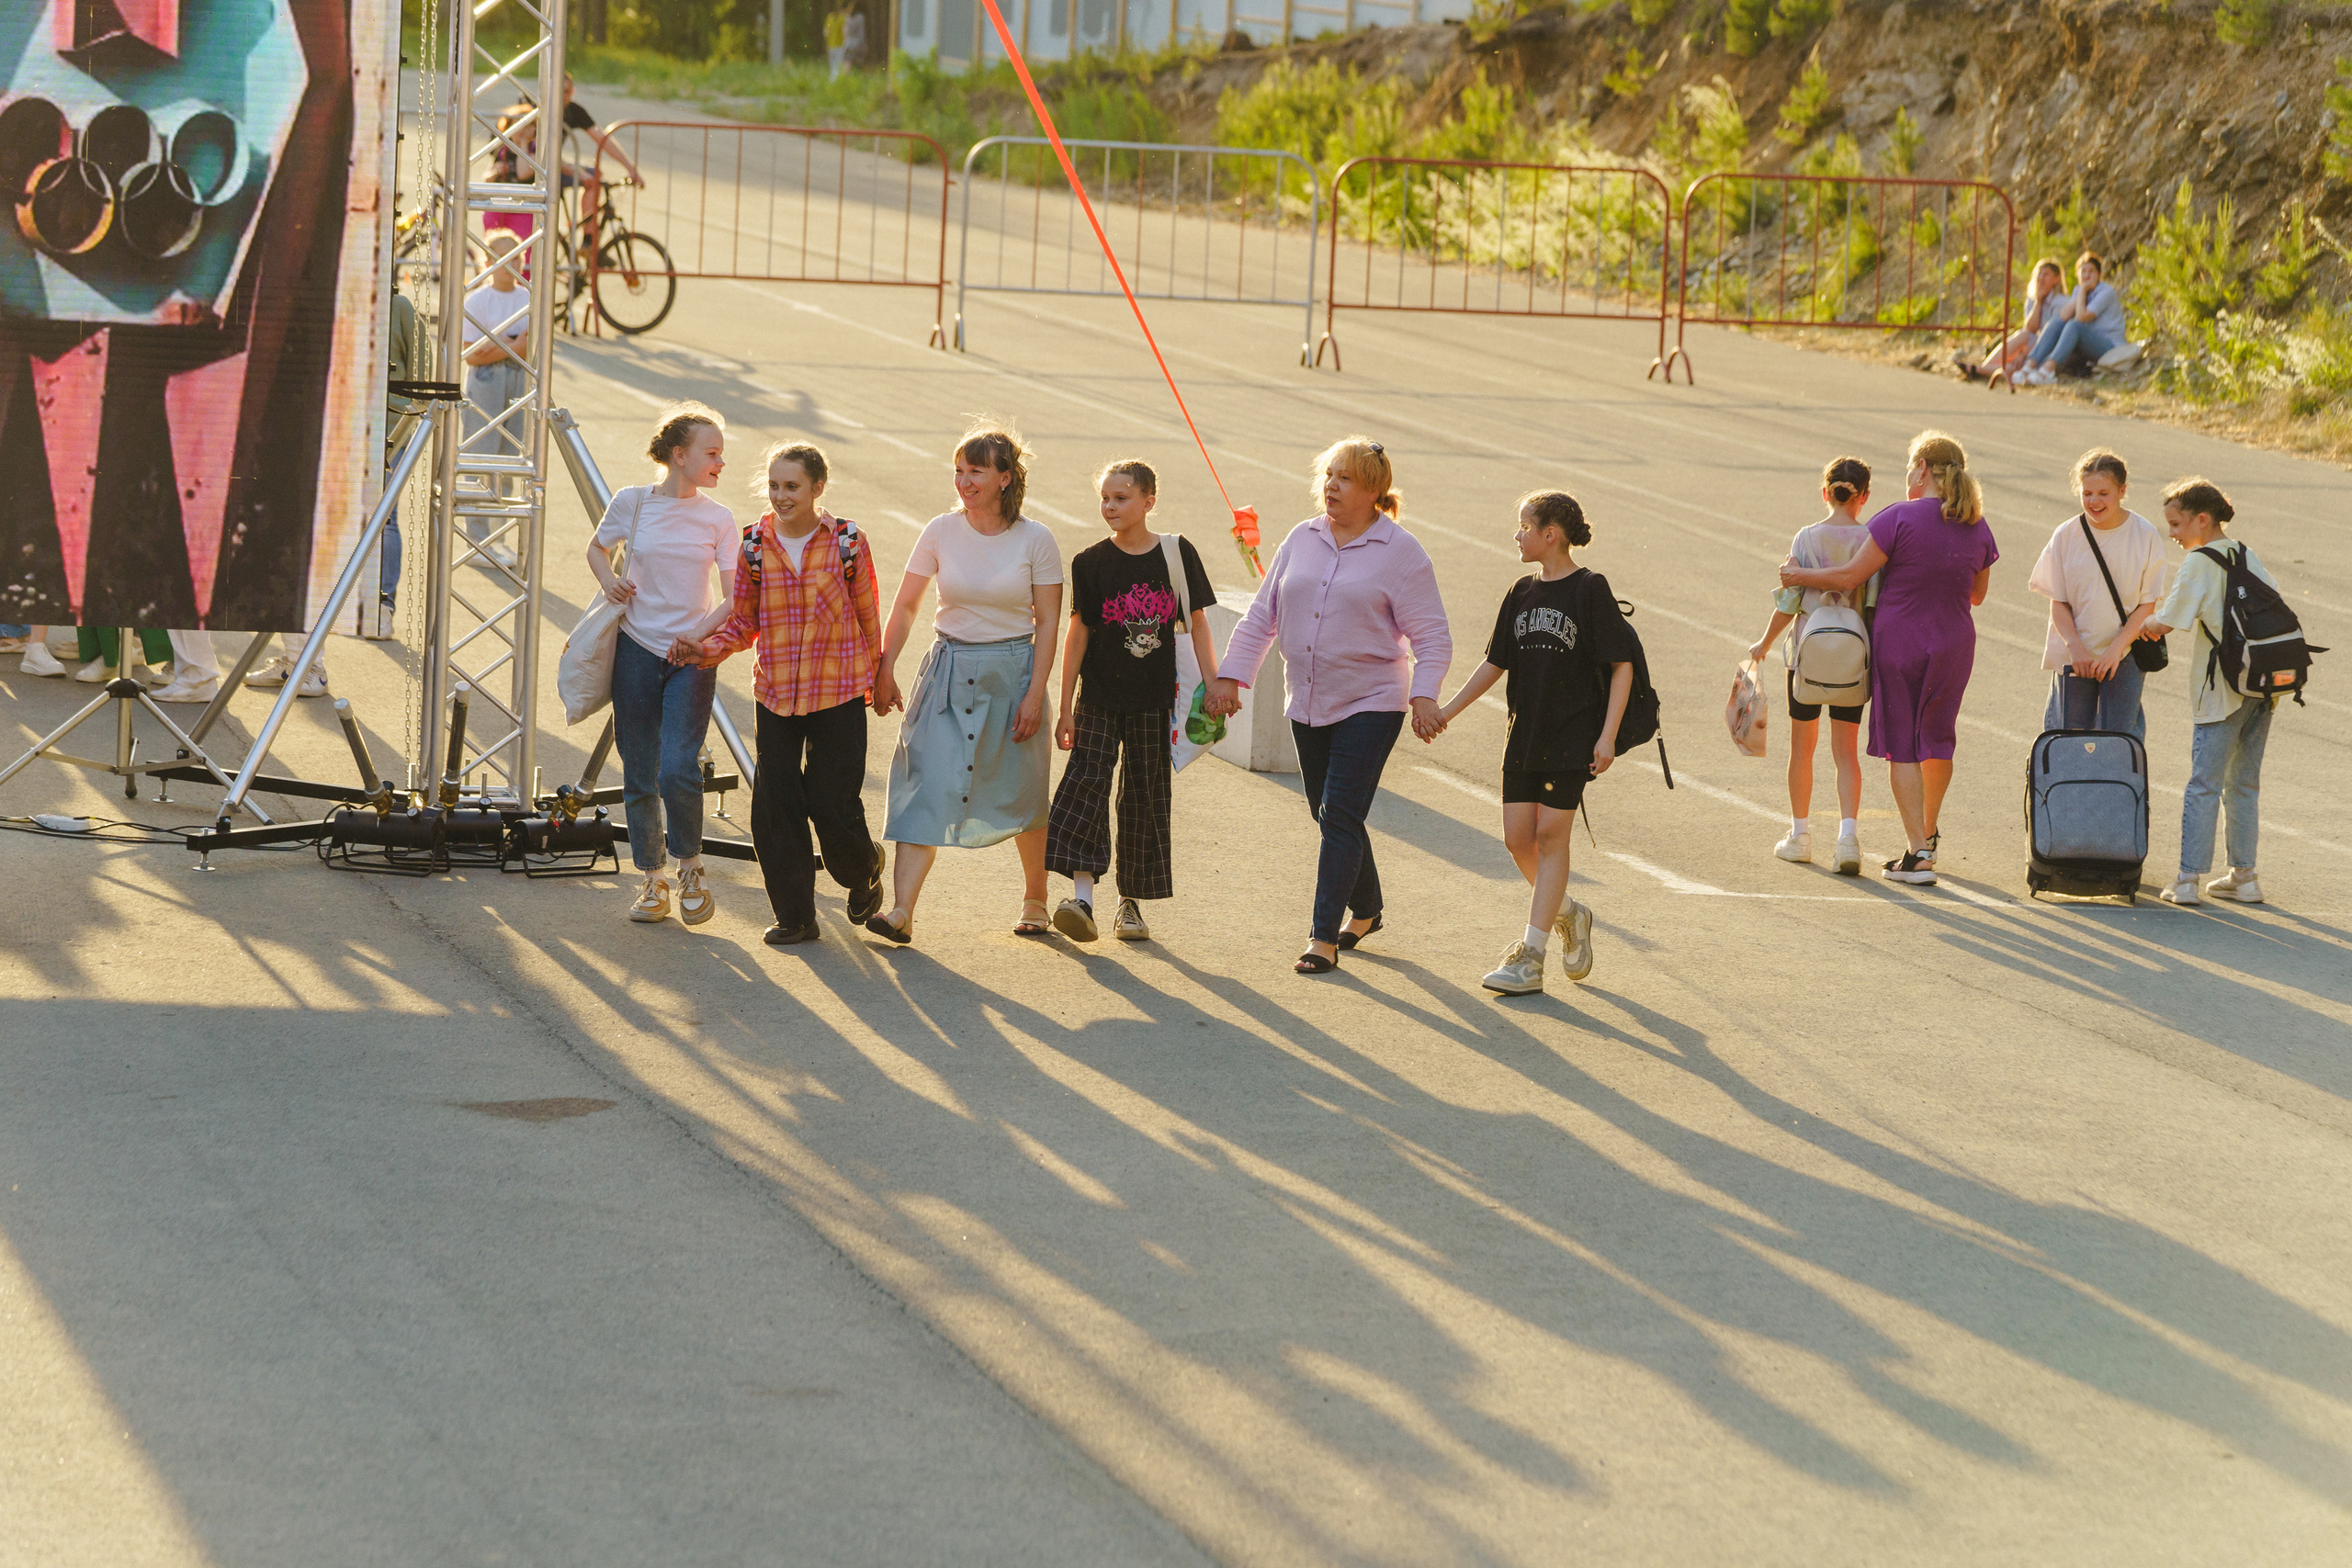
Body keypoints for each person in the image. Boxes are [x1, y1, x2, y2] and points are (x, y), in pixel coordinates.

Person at [1205, 436, 1452, 975]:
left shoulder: (1401, 553)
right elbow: (1260, 618)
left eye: (1344, 478)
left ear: (1373, 491)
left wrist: (1423, 694)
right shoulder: (1302, 538)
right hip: (1308, 701)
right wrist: (1230, 679)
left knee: (1339, 812)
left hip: (1372, 701)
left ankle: (1323, 937)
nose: (1331, 486)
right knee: (1331, 812)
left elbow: (1432, 636)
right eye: (1328, 475)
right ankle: (1367, 909)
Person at [868, 424, 1065, 943]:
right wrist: (886, 666)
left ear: (1005, 478)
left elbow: (1049, 622)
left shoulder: (1036, 539)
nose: (964, 481)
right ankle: (901, 911)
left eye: (975, 471)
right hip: (947, 669)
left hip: (1013, 674)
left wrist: (1034, 693)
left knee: (1022, 793)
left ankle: (1035, 898)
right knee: (921, 784)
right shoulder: (940, 529)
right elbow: (908, 603)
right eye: (958, 470)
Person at [1431, 491, 1633, 996]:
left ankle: (1532, 955)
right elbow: (1495, 664)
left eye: (1524, 525)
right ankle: (1570, 914)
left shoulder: (1590, 589)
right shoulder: (1521, 592)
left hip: (1573, 738)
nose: (1516, 535)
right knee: (1517, 839)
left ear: (1551, 535)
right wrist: (1446, 712)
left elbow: (1621, 664)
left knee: (1549, 838)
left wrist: (1607, 736)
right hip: (1524, 734)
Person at [1781, 431, 1996, 886]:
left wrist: (1799, 573)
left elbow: (1850, 575)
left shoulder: (1896, 517)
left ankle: (1917, 852)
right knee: (1938, 738)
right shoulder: (1977, 524)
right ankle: (1930, 835)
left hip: (1902, 641)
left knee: (1903, 742)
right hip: (1955, 641)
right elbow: (1977, 594)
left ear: (1922, 469)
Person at [693, 443, 886, 945]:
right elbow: (744, 620)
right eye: (775, 486)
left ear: (818, 487)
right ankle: (796, 916)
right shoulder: (756, 544)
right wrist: (708, 650)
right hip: (776, 692)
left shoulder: (846, 540)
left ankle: (862, 871)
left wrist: (879, 678)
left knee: (831, 801)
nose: (781, 496)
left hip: (838, 690)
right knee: (775, 804)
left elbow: (868, 614)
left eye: (792, 486)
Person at [1044, 458, 1219, 943]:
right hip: (1098, 698)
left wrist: (1215, 683)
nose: (1110, 507)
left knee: (1145, 798)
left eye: (1121, 498)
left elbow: (1197, 624)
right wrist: (1064, 708)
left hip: (1154, 701)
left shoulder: (1176, 554)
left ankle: (1131, 906)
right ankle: (1082, 898)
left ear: (1148, 501)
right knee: (1086, 786)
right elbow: (1078, 633)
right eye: (1104, 498)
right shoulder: (1091, 561)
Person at [587, 404, 740, 926]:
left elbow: (734, 596)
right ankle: (652, 880)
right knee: (638, 769)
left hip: (690, 657)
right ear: (680, 455)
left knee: (678, 767)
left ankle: (690, 867)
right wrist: (609, 582)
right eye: (712, 453)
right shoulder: (632, 503)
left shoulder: (719, 518)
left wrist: (697, 636)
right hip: (635, 649)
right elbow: (597, 549)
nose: (721, 463)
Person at [2140, 479, 2275, 907]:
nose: (2173, 534)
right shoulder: (2246, 553)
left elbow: (2168, 620)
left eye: (2177, 524)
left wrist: (2140, 626)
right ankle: (2244, 875)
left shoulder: (2200, 561)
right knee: (2243, 783)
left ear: (2202, 519)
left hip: (2221, 690)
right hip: (2263, 685)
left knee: (2203, 783)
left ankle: (2186, 879)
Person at [1747, 456, 1877, 875]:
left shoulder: (1806, 538)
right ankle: (1847, 838)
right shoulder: (1872, 540)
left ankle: (1800, 835)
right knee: (1846, 752)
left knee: (1803, 747)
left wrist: (1764, 642)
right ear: (1865, 496)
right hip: (1853, 659)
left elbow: (1789, 601)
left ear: (1825, 492)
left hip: (1807, 654)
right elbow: (1874, 605)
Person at [2026, 447, 2165, 741]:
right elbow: (2058, 600)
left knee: (2119, 739)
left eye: (2103, 493)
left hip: (2125, 653)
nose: (2094, 501)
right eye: (2087, 493)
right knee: (2067, 737)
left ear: (2122, 491)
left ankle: (2117, 790)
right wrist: (2075, 646)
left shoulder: (2145, 534)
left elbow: (2147, 604)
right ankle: (2066, 790)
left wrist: (2116, 649)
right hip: (2076, 656)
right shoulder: (2066, 534)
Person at [459, 231, 530, 570]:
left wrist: (498, 345)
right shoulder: (476, 301)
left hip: (518, 380)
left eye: (515, 257)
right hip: (487, 382)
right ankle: (477, 540)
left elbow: (535, 346)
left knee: (511, 459)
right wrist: (512, 346)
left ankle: (499, 541)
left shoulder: (529, 298)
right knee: (480, 457)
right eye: (502, 258)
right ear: (488, 262)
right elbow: (471, 356)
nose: (510, 265)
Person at [2017, 252, 2127, 385]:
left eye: (2091, 271)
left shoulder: (2106, 292)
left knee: (2074, 325)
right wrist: (2082, 291)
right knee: (2056, 323)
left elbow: (2080, 318)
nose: (2086, 275)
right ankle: (2029, 366)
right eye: (2083, 271)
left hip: (2109, 347)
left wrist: (2083, 289)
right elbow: (2063, 315)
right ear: (2078, 274)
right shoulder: (2079, 290)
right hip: (2087, 346)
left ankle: (2047, 371)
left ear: (2098, 275)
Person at [1956, 257, 2064, 384]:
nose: (2041, 278)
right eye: (2039, 274)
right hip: (2030, 343)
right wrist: (2038, 302)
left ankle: (1979, 370)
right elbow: (2030, 328)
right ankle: (1983, 369)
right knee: (2023, 335)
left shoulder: (2061, 302)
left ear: (2056, 279)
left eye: (2046, 274)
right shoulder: (2032, 300)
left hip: (2046, 349)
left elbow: (2048, 338)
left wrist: (2023, 355)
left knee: (2018, 361)